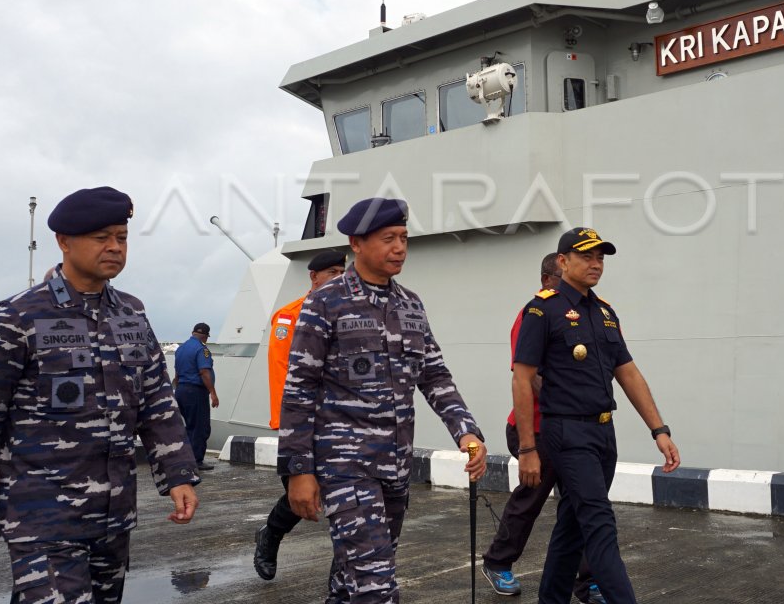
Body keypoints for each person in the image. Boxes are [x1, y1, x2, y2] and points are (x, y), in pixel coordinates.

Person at [0, 186, 200, 604]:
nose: (114, 247)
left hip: (113, 517)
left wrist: (178, 474)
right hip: (43, 516)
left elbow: (155, 403)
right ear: (64, 242)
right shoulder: (20, 314)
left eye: (122, 237)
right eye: (101, 238)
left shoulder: (131, 313)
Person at [279, 197, 488, 604]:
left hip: (394, 465)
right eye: (388, 238)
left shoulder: (410, 303)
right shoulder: (325, 303)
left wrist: (465, 432)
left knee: (352, 578)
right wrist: (298, 470)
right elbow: (299, 387)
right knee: (376, 585)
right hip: (345, 466)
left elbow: (435, 375)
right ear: (356, 243)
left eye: (404, 239)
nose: (400, 248)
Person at [513, 228, 681, 604]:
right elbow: (522, 380)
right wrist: (527, 448)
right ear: (563, 261)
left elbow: (629, 373)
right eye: (587, 256)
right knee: (600, 525)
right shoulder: (542, 309)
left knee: (571, 528)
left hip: (604, 435)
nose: (595, 264)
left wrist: (659, 429)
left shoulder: (604, 312)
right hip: (566, 433)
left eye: (600, 258)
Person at [481, 254, 600, 602]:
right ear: (550, 277)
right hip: (534, 427)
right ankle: (497, 562)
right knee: (530, 499)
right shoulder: (533, 314)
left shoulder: (582, 314)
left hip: (571, 427)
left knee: (582, 504)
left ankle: (588, 582)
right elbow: (527, 377)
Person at [254, 248, 346, 581]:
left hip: (342, 424)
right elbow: (283, 373)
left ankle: (346, 575)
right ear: (314, 277)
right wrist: (288, 429)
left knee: (347, 499)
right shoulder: (289, 317)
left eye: (343, 272)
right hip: (303, 425)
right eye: (333, 272)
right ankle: (271, 534)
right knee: (303, 496)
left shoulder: (349, 315)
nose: (340, 278)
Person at [174, 322, 219, 471]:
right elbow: (204, 372)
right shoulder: (201, 349)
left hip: (181, 390)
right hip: (195, 392)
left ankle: (186, 458)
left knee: (188, 427)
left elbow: (177, 374)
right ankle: (196, 461)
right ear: (205, 336)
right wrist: (213, 392)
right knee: (200, 427)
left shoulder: (181, 348)